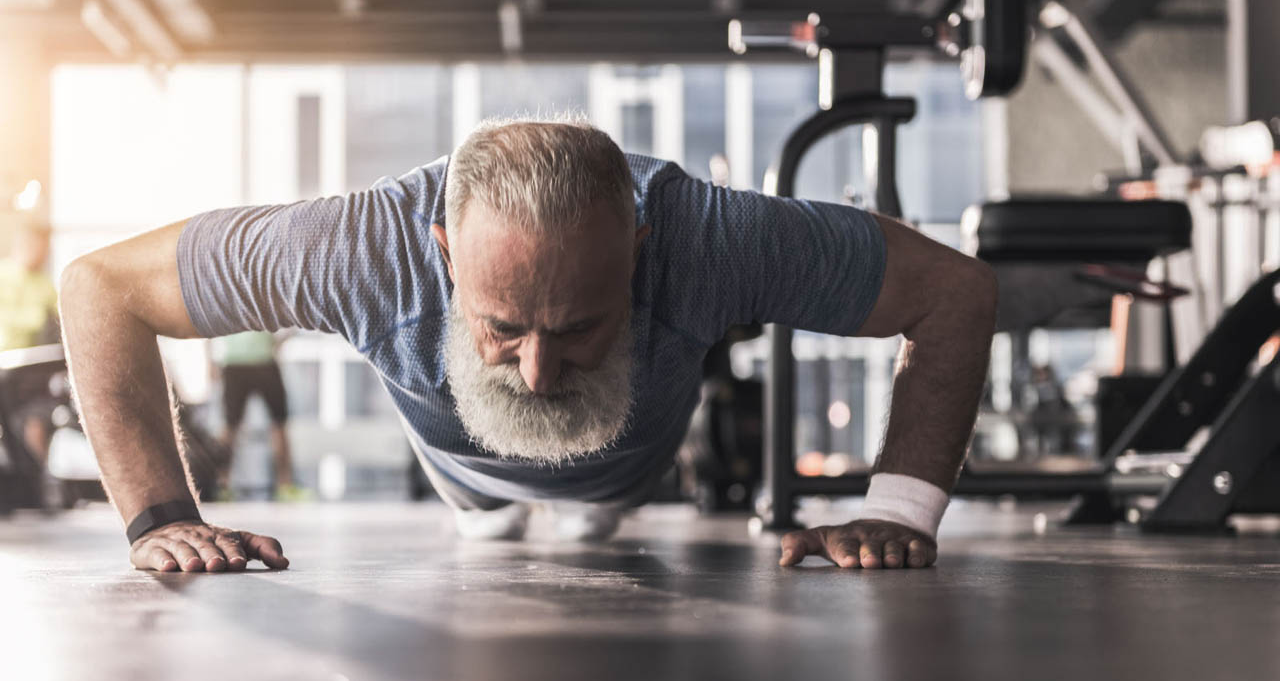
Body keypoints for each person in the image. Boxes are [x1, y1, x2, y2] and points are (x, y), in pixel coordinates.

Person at [59, 118, 997, 574]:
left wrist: (901, 509)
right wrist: (158, 518)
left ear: (638, 249)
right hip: (462, 475)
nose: (541, 371)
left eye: (579, 325)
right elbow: (100, 289)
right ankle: (490, 504)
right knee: (492, 520)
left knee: (593, 522)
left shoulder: (712, 238)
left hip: (629, 472)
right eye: (503, 328)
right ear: (441, 257)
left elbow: (952, 292)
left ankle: (578, 499)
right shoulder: (355, 251)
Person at [209, 330, 301, 500]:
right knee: (230, 428)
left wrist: (275, 343)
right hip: (236, 362)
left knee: (278, 425)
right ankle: (222, 486)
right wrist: (209, 362)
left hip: (263, 361)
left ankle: (286, 487)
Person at [0, 222, 60, 464]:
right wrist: (35, 319)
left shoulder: (44, 282)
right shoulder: (4, 277)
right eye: (39, 246)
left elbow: (60, 316)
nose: (42, 252)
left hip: (34, 373)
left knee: (37, 420)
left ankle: (39, 481)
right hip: (7, 367)